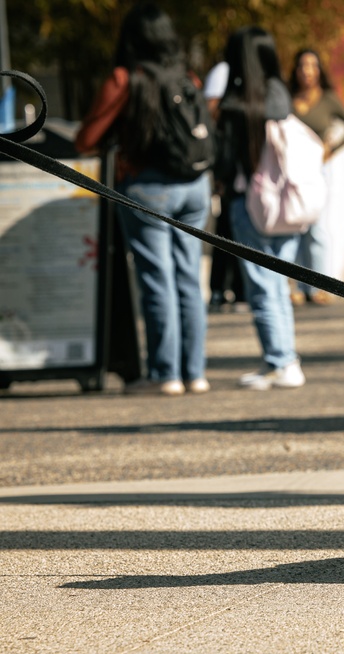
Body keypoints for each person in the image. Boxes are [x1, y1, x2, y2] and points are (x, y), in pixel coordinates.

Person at [75, 2, 211, 397]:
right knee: (188, 278)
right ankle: (195, 373)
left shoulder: (125, 79)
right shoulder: (188, 78)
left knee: (157, 281)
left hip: (148, 188)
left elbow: (86, 139)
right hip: (195, 185)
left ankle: (164, 374)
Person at [214, 26, 306, 391]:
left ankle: (280, 361)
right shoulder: (280, 94)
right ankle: (286, 358)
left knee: (261, 288)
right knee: (277, 285)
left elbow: (224, 162)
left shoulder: (236, 103)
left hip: (247, 204)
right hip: (287, 204)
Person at [287, 48, 344, 305]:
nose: (307, 70)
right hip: (290, 169)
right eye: (302, 65)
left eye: (312, 65)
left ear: (319, 70)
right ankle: (291, 283)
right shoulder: (288, 97)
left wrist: (333, 149)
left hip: (317, 169)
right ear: (296, 70)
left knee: (317, 228)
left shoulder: (328, 99)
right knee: (293, 226)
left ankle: (318, 285)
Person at [202, 57, 247, 312]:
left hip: (236, 183)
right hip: (227, 183)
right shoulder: (215, 124)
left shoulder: (231, 121)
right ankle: (219, 289)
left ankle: (236, 291)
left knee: (236, 238)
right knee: (224, 237)